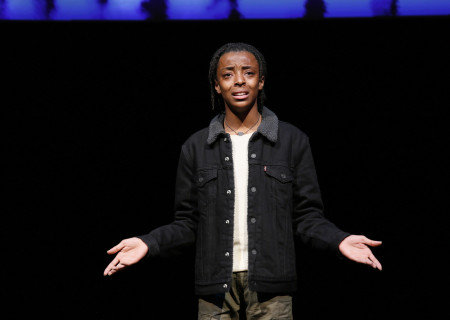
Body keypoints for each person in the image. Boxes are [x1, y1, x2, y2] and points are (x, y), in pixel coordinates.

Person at [104, 42, 382, 319]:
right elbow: (188, 223)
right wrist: (148, 243)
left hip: (271, 289)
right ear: (216, 85)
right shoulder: (196, 147)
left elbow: (306, 216)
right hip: (215, 289)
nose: (239, 80)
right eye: (228, 74)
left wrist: (339, 240)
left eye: (248, 73)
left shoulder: (292, 141)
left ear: (261, 81)